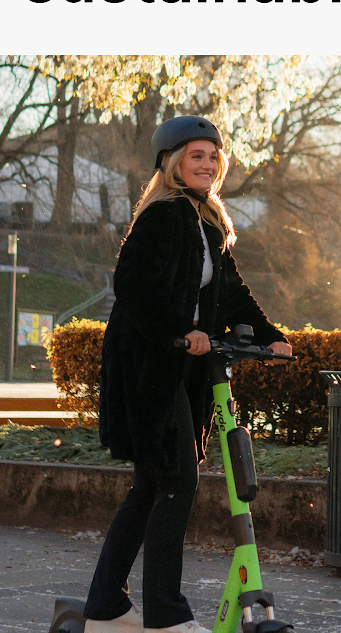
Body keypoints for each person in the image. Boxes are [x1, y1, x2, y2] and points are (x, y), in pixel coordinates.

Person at [83, 115, 292, 633]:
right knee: (176, 481)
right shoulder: (163, 215)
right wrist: (181, 329)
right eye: (196, 155)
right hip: (149, 365)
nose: (207, 164)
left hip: (181, 364)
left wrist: (270, 335)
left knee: (150, 486)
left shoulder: (208, 221)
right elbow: (132, 285)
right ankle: (164, 615)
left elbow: (232, 291)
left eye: (213, 156)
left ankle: (105, 607)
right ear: (173, 163)